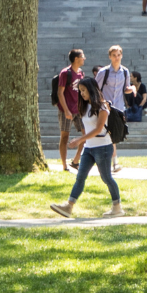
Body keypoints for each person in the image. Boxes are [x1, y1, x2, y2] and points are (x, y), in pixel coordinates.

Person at [49, 77, 122, 219]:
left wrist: (79, 140)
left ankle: (117, 207)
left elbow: (98, 129)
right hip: (89, 148)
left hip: (103, 147)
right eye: (80, 91)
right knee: (80, 177)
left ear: (92, 89)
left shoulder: (102, 106)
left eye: (84, 90)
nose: (81, 93)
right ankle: (68, 206)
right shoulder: (86, 106)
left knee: (106, 177)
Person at [95, 44, 133, 171]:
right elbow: (95, 89)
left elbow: (125, 88)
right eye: (114, 55)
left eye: (118, 55)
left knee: (113, 135)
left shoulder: (125, 71)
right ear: (110, 57)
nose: (117, 58)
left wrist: (132, 88)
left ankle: (108, 161)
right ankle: (114, 163)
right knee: (109, 135)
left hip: (119, 108)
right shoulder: (103, 72)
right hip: (106, 108)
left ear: (121, 55)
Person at [55, 48, 87, 170]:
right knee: (65, 136)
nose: (84, 58)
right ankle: (64, 165)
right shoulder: (65, 73)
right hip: (66, 110)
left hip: (79, 109)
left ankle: (75, 161)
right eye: (82, 56)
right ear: (76, 59)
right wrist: (66, 110)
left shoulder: (81, 73)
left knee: (86, 135)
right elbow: (60, 92)